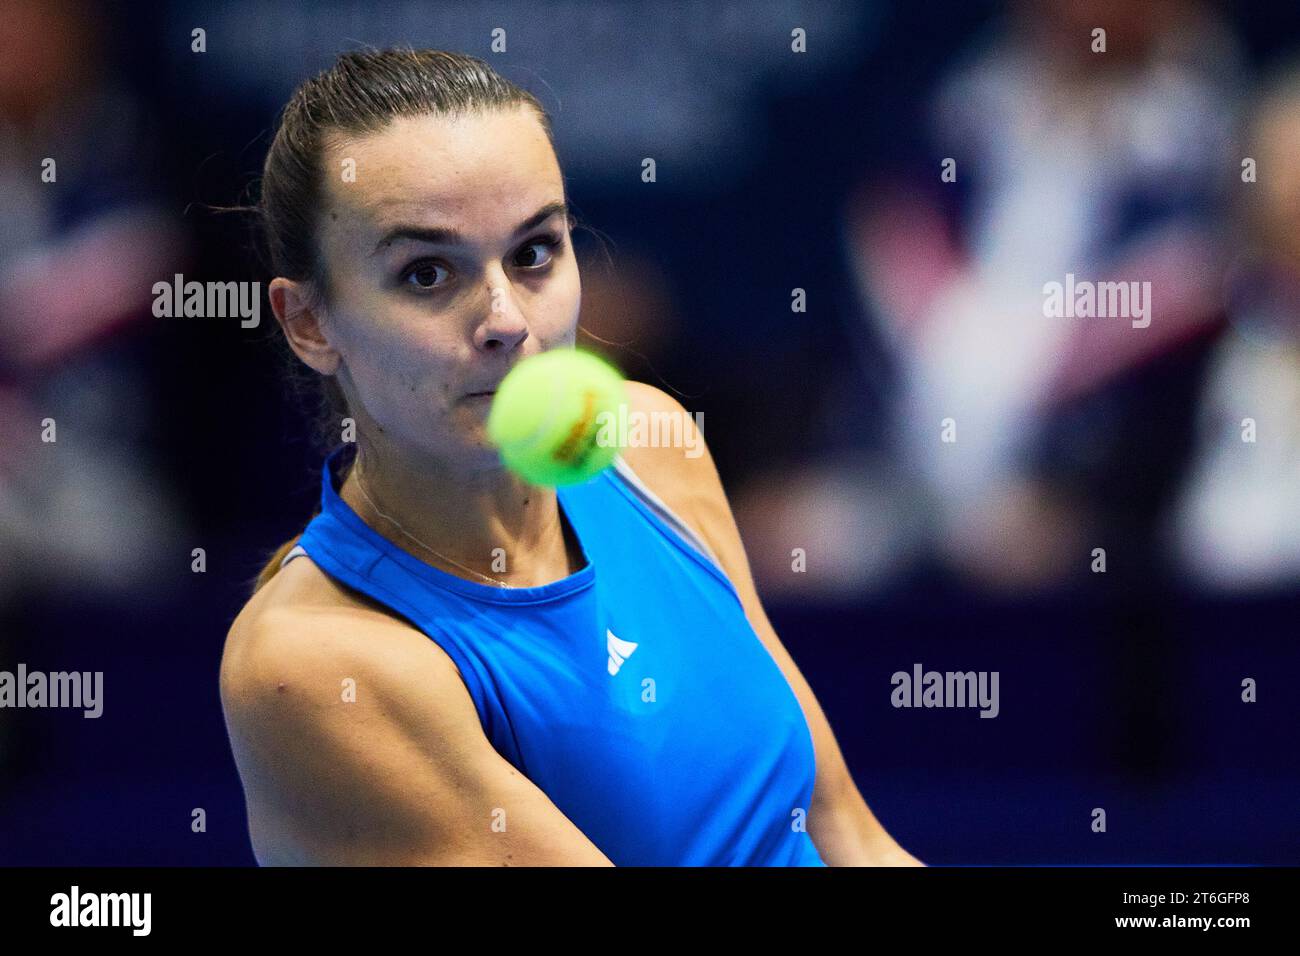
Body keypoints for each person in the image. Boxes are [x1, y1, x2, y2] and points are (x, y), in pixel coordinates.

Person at [219, 48, 921, 867]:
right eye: (426, 273)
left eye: (534, 253)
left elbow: (851, 837)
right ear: (308, 322)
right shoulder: (310, 664)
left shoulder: (648, 447)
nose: (506, 319)